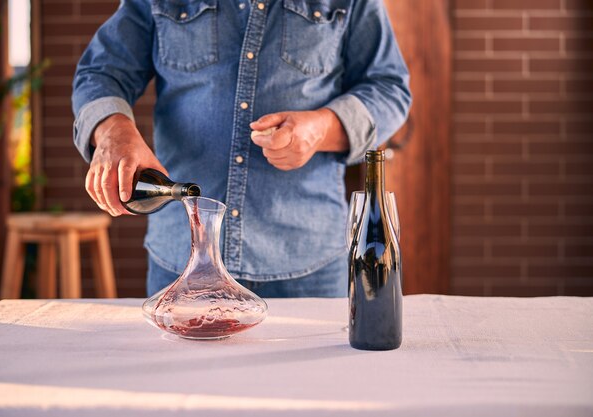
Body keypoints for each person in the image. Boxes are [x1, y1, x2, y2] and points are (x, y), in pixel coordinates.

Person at [72, 0, 411, 298]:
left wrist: (322, 128)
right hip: (181, 258)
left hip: (308, 266)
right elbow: (101, 72)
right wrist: (113, 131)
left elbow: (389, 88)